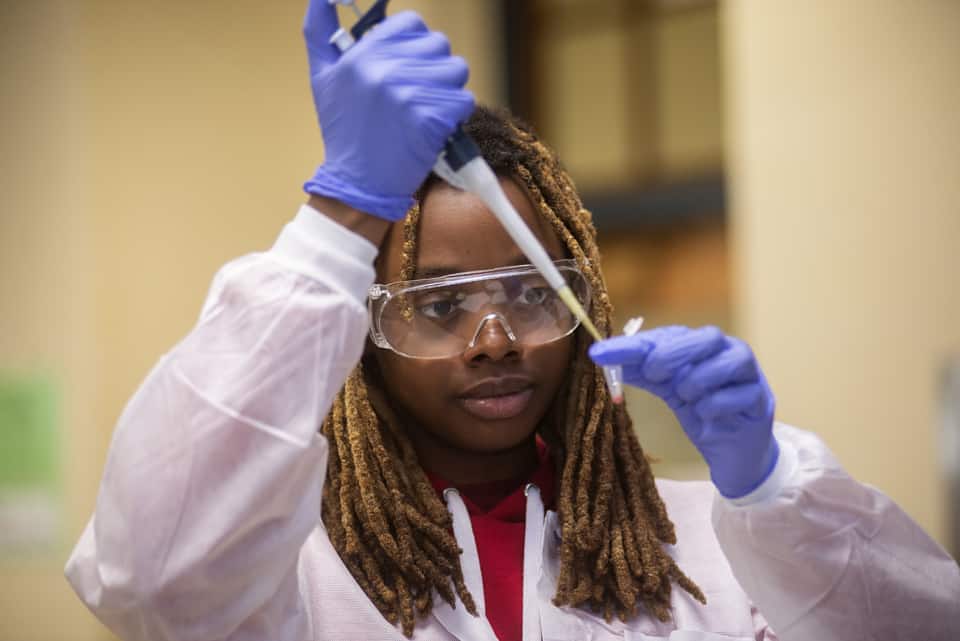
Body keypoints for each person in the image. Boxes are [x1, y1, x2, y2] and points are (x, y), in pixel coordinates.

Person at [66, 3, 960, 640]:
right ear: (361, 333)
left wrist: (772, 490)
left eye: (531, 291)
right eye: (440, 304)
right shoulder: (293, 569)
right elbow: (152, 579)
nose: (494, 340)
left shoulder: (701, 552)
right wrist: (337, 223)